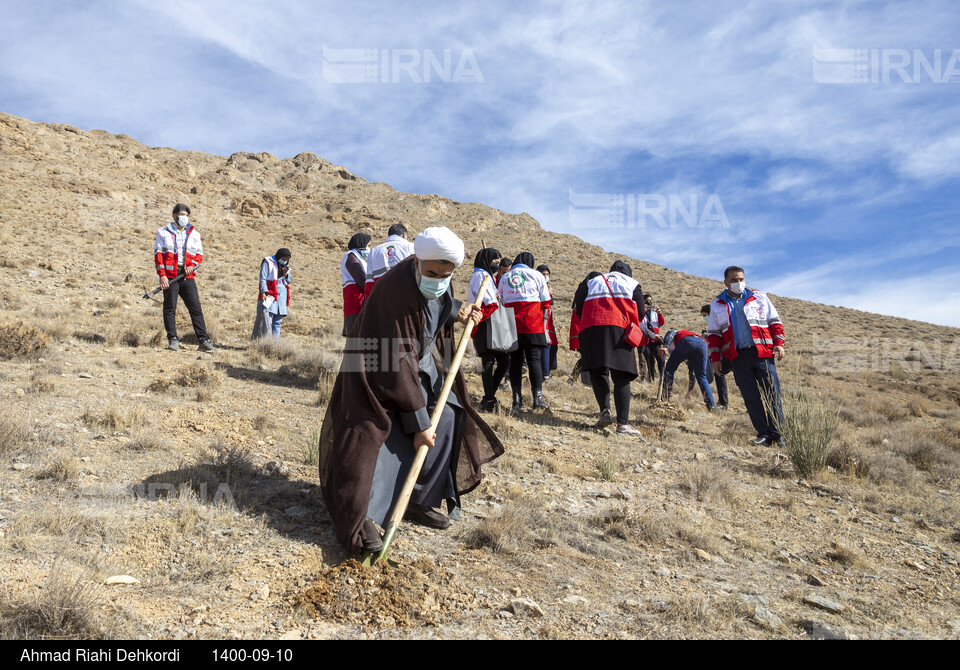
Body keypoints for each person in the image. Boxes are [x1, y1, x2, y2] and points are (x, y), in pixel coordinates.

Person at [318, 227, 504, 554]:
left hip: (412, 368)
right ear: (416, 260)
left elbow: (439, 303)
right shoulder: (395, 291)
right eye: (431, 272)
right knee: (371, 432)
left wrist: (460, 311)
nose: (437, 278)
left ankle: (420, 497)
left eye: (445, 275)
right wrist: (419, 424)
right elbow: (397, 362)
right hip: (374, 368)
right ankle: (360, 520)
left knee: (446, 416)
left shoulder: (436, 279)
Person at [707, 266, 786, 446]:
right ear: (726, 282)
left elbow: (775, 322)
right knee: (750, 397)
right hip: (738, 356)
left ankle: (779, 434)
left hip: (762, 353)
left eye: (741, 279)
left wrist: (779, 344)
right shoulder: (717, 305)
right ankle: (763, 434)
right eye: (734, 280)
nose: (739, 283)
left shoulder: (760, 298)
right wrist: (716, 358)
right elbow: (714, 335)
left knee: (772, 394)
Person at [574, 261, 644, 436]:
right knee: (621, 374)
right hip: (618, 328)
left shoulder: (593, 281)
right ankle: (622, 424)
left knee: (598, 371)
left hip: (590, 328)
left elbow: (579, 306)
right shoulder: (631, 283)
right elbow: (641, 311)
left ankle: (605, 411)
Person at [154, 203, 214, 352]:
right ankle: (173, 340)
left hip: (188, 276)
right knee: (170, 308)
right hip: (170, 276)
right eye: (182, 215)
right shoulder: (163, 232)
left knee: (196, 308)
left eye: (187, 216)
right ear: (174, 215)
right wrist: (162, 276)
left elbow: (199, 255)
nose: (184, 218)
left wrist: (191, 266)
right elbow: (158, 256)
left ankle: (203, 340)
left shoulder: (194, 234)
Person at [499, 252, 551, 412]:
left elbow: (500, 299)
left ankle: (517, 400)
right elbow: (546, 301)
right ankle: (538, 399)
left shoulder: (505, 277)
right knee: (534, 360)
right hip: (532, 323)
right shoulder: (536, 275)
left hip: (511, 324)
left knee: (515, 361)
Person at [469, 248, 509, 412]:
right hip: (485, 320)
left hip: (490, 320)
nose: (497, 265)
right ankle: (490, 399)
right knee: (489, 360)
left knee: (503, 360)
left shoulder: (487, 275)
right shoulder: (480, 275)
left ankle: (488, 396)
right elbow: (488, 300)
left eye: (499, 263)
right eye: (496, 262)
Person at [658, 330, 716, 409]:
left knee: (669, 369)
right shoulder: (691, 349)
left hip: (686, 342)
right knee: (701, 376)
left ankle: (665, 398)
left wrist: (665, 346)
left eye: (671, 350)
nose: (671, 351)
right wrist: (690, 391)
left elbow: (670, 333)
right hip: (703, 345)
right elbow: (692, 373)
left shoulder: (677, 333)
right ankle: (711, 404)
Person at [364, 224, 414, 298]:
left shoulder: (374, 251)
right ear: (404, 235)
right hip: (406, 296)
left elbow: (369, 282)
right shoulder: (411, 247)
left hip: (383, 299)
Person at [252, 248, 291, 339]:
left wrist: (286, 274)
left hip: (281, 298)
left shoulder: (286, 266)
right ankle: (265, 343)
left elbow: (288, 281)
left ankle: (274, 345)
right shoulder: (268, 262)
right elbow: (263, 278)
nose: (284, 261)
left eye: (286, 260)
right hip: (270, 295)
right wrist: (264, 292)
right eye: (283, 259)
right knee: (267, 321)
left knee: (277, 323)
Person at [696, 303, 728, 408]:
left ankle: (723, 402)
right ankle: (722, 401)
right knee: (719, 376)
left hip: (723, 353)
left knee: (720, 376)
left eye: (705, 315)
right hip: (717, 354)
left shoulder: (719, 322)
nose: (704, 318)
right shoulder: (712, 324)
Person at [340, 233, 371, 336]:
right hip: (356, 299)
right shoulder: (351, 257)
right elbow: (361, 278)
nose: (369, 248)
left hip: (359, 298)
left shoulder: (358, 258)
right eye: (368, 245)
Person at [537, 264, 559, 381]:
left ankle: (547, 372)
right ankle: (545, 375)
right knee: (546, 346)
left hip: (548, 320)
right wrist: (548, 294)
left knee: (552, 347)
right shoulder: (539, 287)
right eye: (543, 274)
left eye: (547, 274)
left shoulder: (547, 287)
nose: (546, 276)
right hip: (542, 320)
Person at [638, 294, 665, 382]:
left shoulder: (655, 312)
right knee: (649, 359)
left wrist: (660, 313)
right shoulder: (641, 312)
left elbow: (661, 323)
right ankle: (651, 377)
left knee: (660, 358)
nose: (649, 303)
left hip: (655, 339)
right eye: (646, 301)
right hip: (645, 339)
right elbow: (639, 321)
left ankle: (662, 376)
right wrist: (643, 311)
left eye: (650, 301)